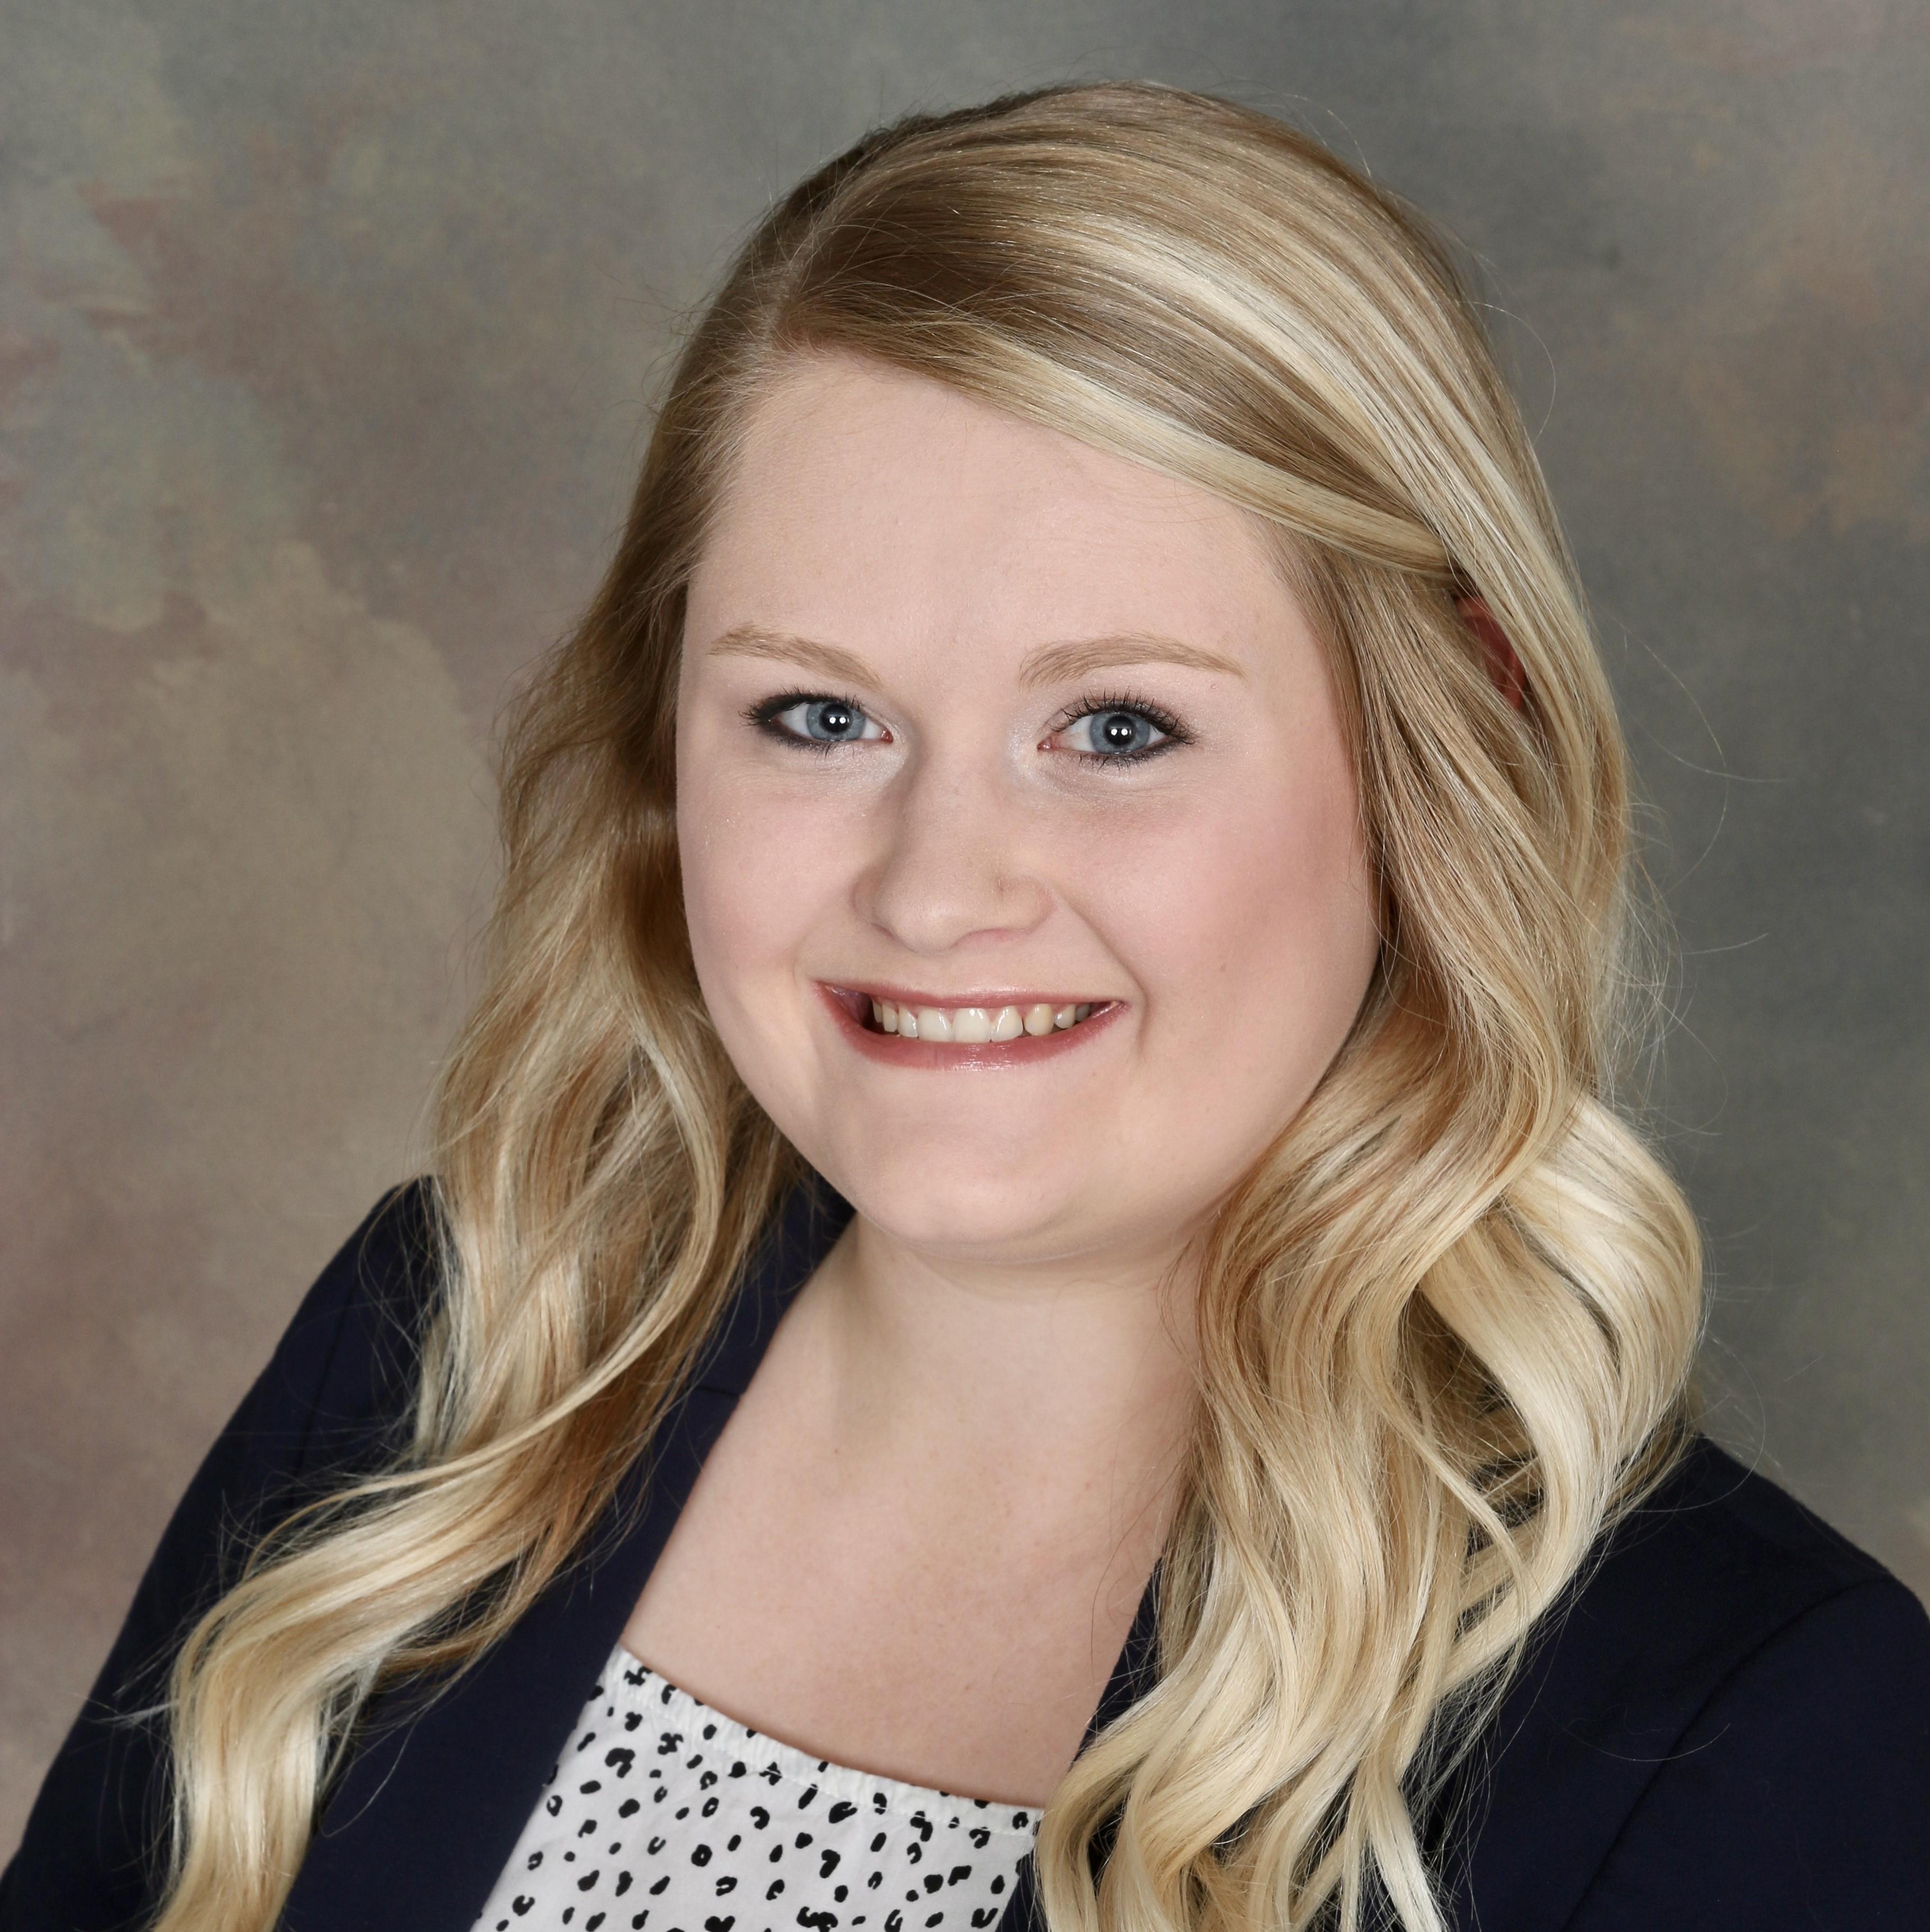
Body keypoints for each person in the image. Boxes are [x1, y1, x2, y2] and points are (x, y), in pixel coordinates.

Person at [5, 81, 1926, 1932]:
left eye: (1116, 727)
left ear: (1439, 759)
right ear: (671, 746)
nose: (934, 887)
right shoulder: (451, 1352)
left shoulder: (1760, 1730)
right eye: (819, 717)